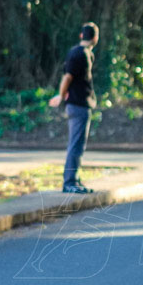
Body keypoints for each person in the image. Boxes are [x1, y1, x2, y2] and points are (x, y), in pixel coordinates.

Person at [49, 23, 99, 194]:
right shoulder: (79, 54)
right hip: (77, 105)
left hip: (81, 104)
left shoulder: (84, 54)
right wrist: (61, 96)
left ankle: (75, 180)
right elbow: (67, 77)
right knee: (75, 145)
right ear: (95, 38)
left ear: (81, 36)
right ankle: (69, 182)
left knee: (78, 145)